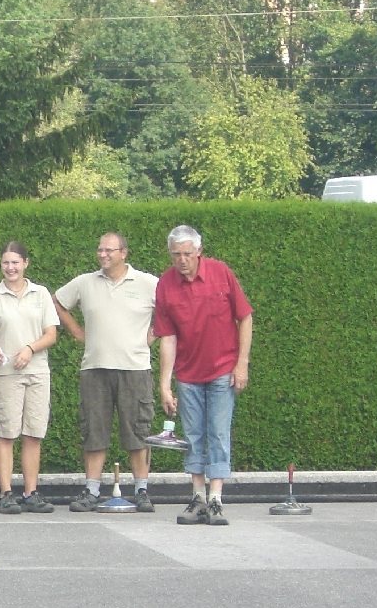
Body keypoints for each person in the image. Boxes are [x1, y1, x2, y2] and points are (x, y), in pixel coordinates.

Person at [153, 224, 253, 527]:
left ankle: (216, 500)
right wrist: (164, 384)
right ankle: (198, 498)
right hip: (188, 373)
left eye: (187, 253)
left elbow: (245, 316)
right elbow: (167, 337)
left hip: (222, 369)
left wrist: (242, 364)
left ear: (199, 251)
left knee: (219, 433)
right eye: (176, 254)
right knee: (193, 435)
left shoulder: (221, 273)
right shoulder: (165, 284)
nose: (182, 260)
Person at [54, 231, 159, 513]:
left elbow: (172, 308)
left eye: (109, 250)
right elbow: (56, 302)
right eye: (100, 249)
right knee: (94, 432)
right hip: (95, 369)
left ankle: (142, 491)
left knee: (138, 433)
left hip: (135, 369)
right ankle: (91, 491)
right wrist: (77, 331)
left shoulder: (148, 283)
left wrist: (154, 333)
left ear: (124, 253)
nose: (103, 254)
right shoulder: (85, 282)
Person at [0, 241, 59, 514]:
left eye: (15, 262)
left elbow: (51, 334)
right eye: (5, 263)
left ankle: (31, 492)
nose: (10, 268)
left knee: (34, 433)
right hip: (6, 374)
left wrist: (30, 349)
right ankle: (6, 493)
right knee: (7, 432)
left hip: (37, 372)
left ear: (25, 263)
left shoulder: (41, 294)